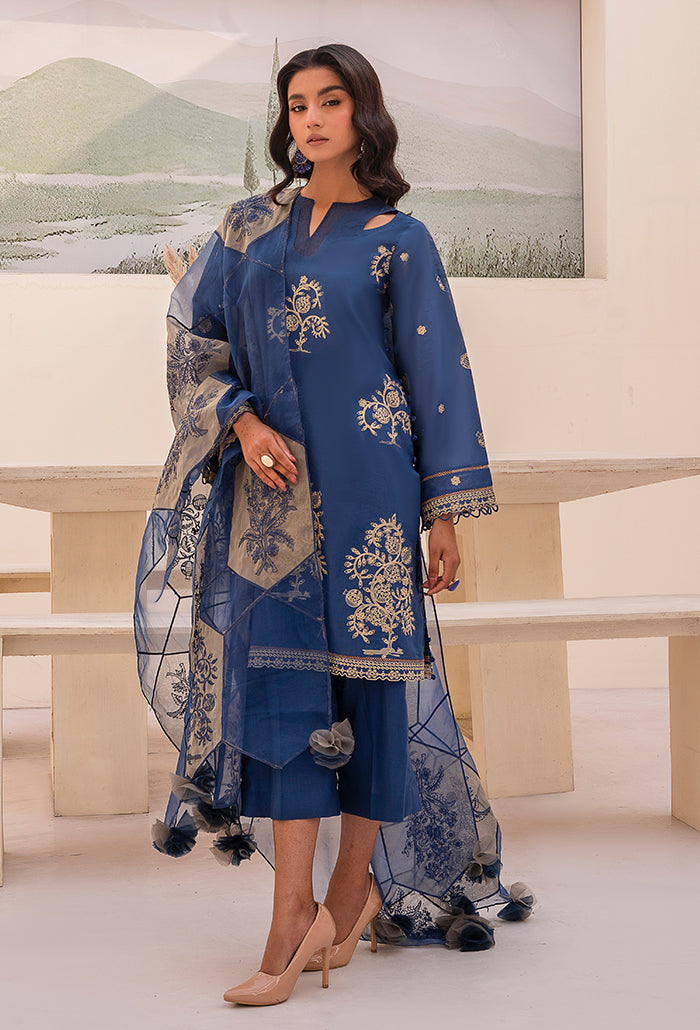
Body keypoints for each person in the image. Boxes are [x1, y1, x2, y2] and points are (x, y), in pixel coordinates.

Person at [134, 42, 534, 1008]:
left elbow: (437, 379)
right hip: (268, 504)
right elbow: (196, 345)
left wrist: (444, 515)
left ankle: (345, 902)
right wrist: (240, 419)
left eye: (330, 101)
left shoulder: (402, 239)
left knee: (371, 696)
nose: (310, 119)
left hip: (371, 501)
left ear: (364, 116)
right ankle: (288, 919)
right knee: (282, 705)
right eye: (296, 104)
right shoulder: (246, 229)